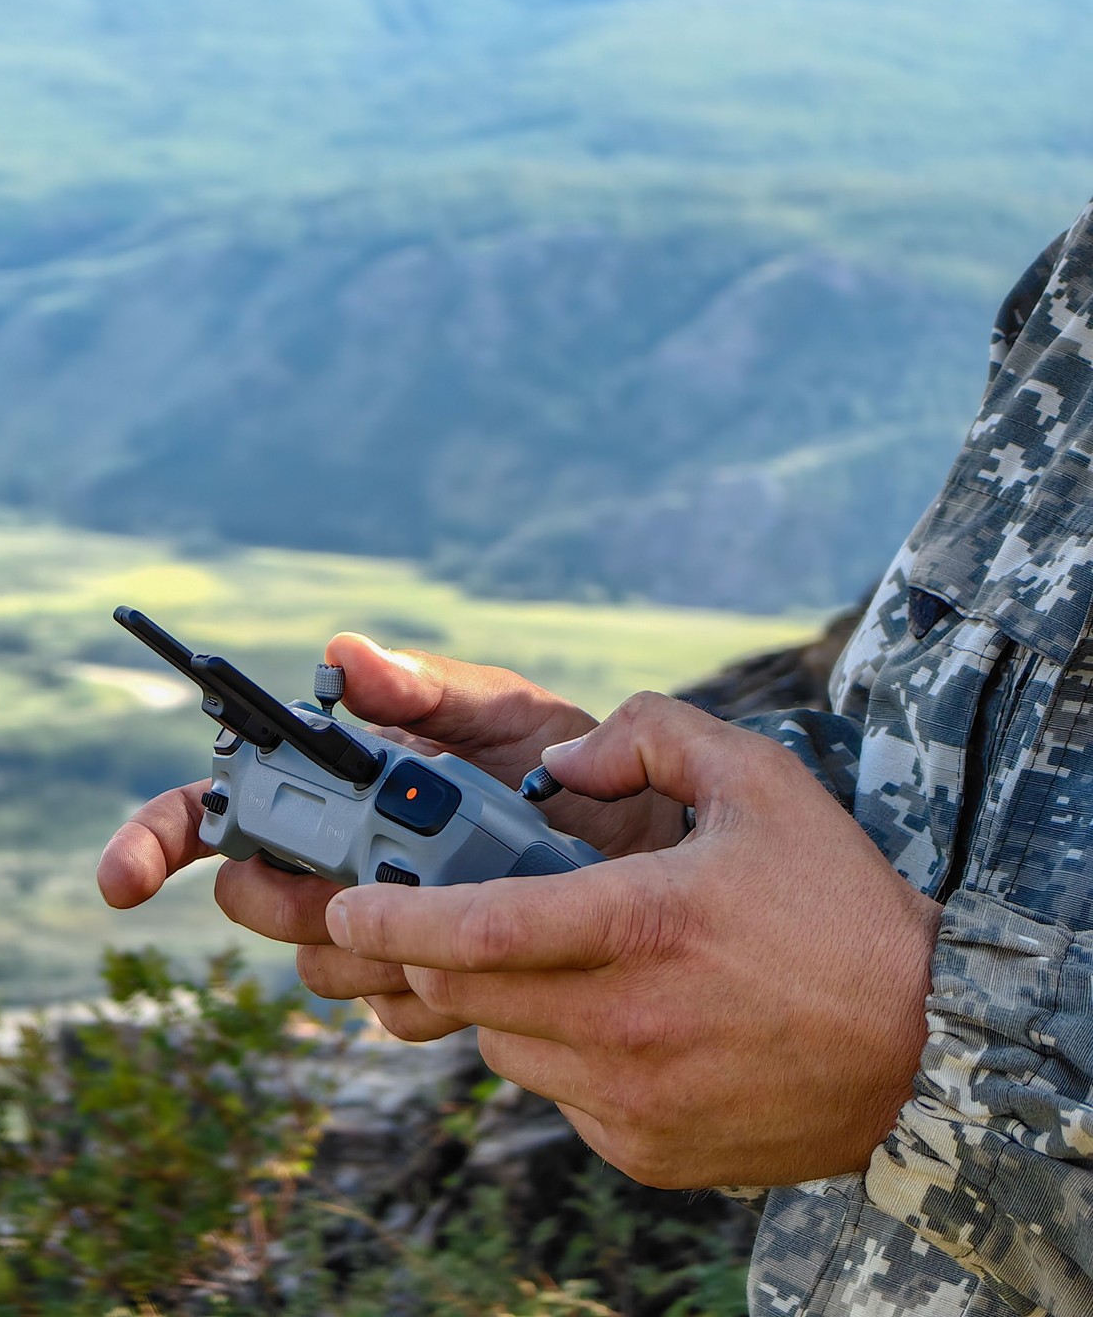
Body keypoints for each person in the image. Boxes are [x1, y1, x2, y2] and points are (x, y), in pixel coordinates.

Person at [99, 182, 1093, 1310]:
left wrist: (940, 1075)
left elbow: (912, 1028)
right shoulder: (1075, 291)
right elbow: (962, 795)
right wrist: (658, 849)